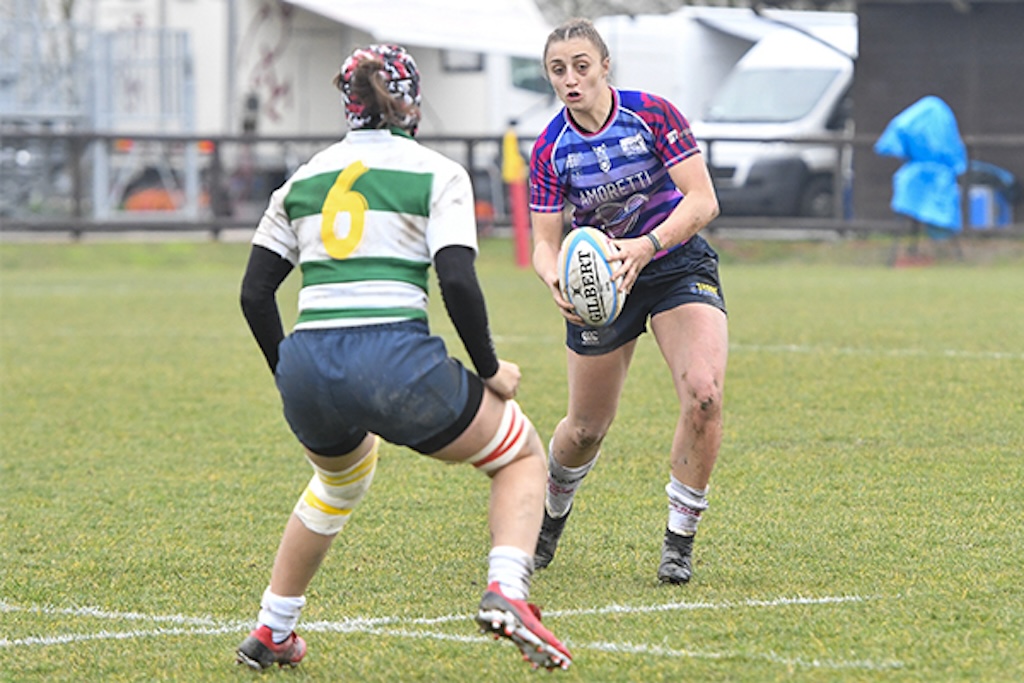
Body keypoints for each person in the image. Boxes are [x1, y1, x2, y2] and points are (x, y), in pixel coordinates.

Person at [235, 44, 571, 671]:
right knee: (521, 455)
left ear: (348, 103)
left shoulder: (302, 178)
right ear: (410, 101)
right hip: (391, 356)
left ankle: (273, 629)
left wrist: (290, 372)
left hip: (307, 364)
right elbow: (458, 280)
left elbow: (255, 293)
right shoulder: (435, 172)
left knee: (338, 481)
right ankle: (507, 591)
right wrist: (491, 370)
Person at [528, 19, 727, 584]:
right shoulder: (551, 149)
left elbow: (703, 200)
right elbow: (545, 245)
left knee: (704, 395)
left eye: (581, 66)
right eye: (558, 70)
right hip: (603, 286)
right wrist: (555, 281)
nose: (570, 79)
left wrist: (646, 245)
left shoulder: (653, 114)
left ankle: (678, 542)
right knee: (586, 427)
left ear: (605, 66)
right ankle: (550, 516)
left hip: (673, 264)